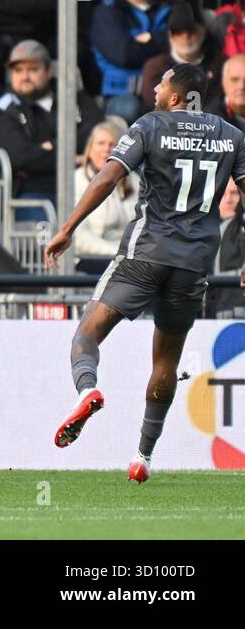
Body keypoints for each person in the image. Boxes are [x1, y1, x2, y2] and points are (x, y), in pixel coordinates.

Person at [45, 63, 245, 483]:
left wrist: (68, 228)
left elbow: (107, 176)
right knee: (166, 360)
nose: (154, 87)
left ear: (176, 95)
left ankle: (88, 391)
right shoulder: (232, 137)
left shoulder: (150, 125)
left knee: (87, 334)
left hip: (144, 254)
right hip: (192, 266)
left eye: (161, 82)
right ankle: (143, 456)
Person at [0, 39, 103, 216]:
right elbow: (19, 156)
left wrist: (48, 147)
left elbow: (97, 133)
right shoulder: (5, 108)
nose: (25, 76)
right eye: (18, 70)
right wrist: (74, 158)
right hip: (32, 191)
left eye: (32, 69)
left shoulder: (74, 98)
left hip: (81, 187)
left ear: (49, 71)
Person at [90, 0, 177, 123]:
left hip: (166, 92)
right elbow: (124, 55)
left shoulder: (172, 8)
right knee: (130, 109)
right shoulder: (108, 11)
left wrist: (151, 39)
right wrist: (164, 40)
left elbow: (186, 45)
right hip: (122, 94)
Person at [72, 121, 138, 275]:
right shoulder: (77, 179)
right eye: (100, 143)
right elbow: (80, 239)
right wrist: (118, 253)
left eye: (112, 144)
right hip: (91, 257)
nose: (106, 150)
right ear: (90, 148)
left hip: (129, 256)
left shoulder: (133, 180)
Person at [138, 2, 221, 113]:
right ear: (170, 35)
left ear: (204, 32)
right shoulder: (155, 67)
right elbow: (159, 104)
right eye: (178, 31)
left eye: (191, 30)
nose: (185, 36)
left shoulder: (219, 64)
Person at [209, 180, 245, 317]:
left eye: (234, 193)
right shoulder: (208, 234)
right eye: (223, 194)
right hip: (219, 317)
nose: (229, 200)